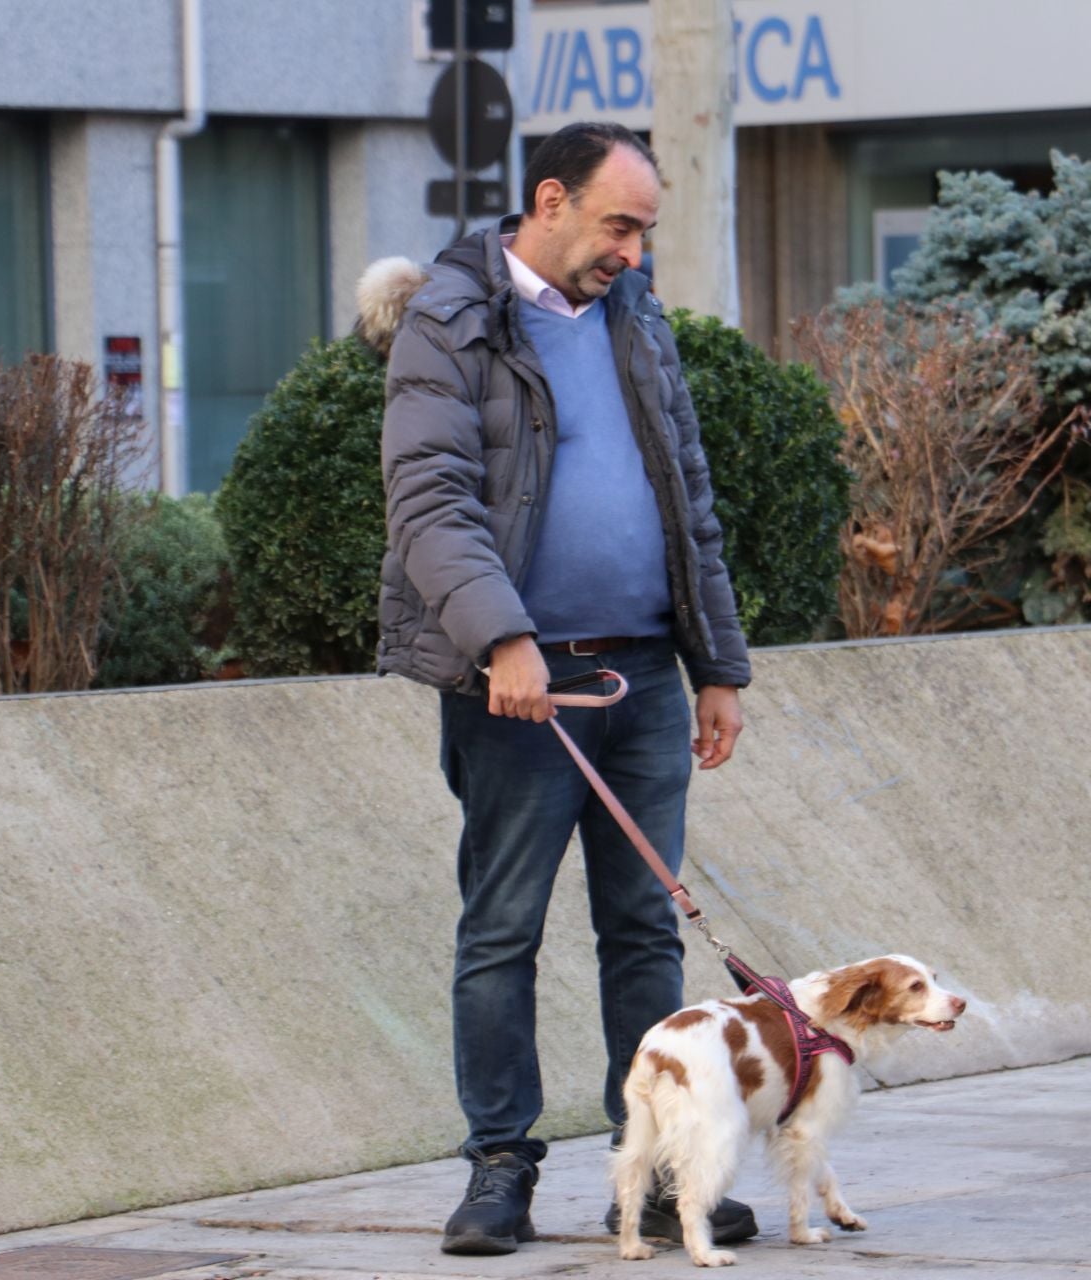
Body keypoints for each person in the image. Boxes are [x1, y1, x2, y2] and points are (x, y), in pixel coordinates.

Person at [373, 120, 754, 1256]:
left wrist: (717, 665)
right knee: (502, 926)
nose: (634, 250)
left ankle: (662, 1165)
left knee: (644, 927)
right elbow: (430, 502)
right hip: (518, 682)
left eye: (644, 229)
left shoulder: (634, 316)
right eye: (618, 224)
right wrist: (502, 639)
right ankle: (500, 1166)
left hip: (641, 668)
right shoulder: (453, 319)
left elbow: (688, 494)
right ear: (549, 201)